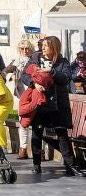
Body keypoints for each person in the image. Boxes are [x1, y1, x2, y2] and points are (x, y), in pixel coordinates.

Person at [21, 35, 83, 176]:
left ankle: (70, 166)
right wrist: (34, 84)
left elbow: (66, 78)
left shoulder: (62, 61)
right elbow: (25, 75)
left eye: (46, 46)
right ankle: (36, 165)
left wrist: (52, 72)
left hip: (57, 103)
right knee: (37, 132)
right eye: (42, 45)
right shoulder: (35, 58)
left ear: (53, 47)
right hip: (40, 101)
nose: (42, 48)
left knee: (61, 134)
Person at [5, 39, 37, 160]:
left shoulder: (34, 60)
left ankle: (38, 151)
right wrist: (10, 75)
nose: (25, 51)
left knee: (36, 122)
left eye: (27, 48)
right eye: (22, 48)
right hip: (21, 94)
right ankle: (23, 149)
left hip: (34, 92)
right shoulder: (16, 60)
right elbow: (5, 71)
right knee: (22, 120)